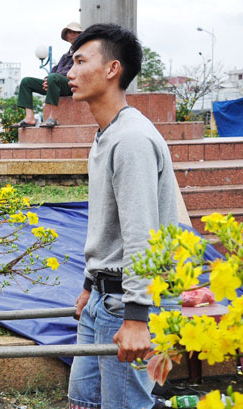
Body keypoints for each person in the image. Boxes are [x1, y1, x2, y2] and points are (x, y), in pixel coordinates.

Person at [65, 24, 179, 409]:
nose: (70, 71)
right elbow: (107, 224)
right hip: (103, 295)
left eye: (81, 61)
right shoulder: (106, 134)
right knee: (84, 400)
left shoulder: (130, 139)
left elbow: (140, 233)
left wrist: (136, 317)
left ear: (112, 69)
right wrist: (88, 283)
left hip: (126, 304)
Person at [14, 22, 83, 129]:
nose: (72, 35)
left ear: (80, 35)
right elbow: (54, 70)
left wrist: (52, 78)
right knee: (26, 81)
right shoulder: (65, 55)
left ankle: (53, 117)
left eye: (75, 32)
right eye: (69, 32)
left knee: (53, 78)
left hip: (72, 85)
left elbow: (76, 71)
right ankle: (29, 118)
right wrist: (47, 80)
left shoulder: (83, 52)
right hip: (56, 82)